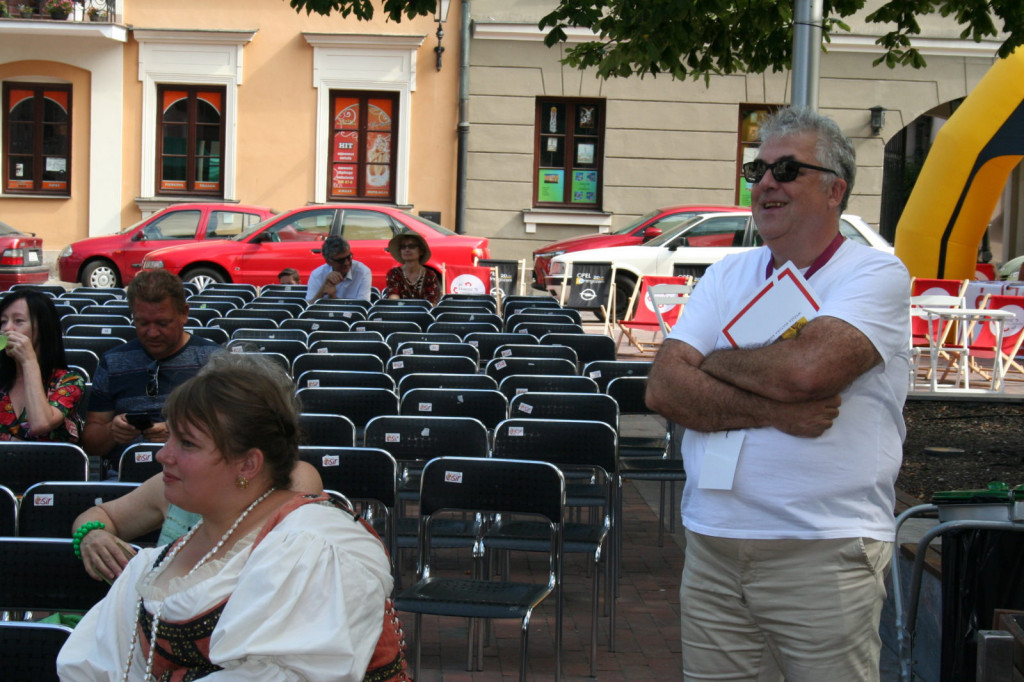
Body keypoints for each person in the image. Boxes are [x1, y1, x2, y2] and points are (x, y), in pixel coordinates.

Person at [645, 107, 911, 680]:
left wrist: (710, 365)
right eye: (757, 169)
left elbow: (808, 372)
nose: (766, 182)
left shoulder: (874, 275)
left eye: (787, 169)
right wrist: (774, 411)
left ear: (835, 189)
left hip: (824, 548)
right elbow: (665, 387)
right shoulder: (727, 274)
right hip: (713, 542)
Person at [58, 353, 399, 680]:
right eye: (170, 437)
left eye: (187, 443)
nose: (163, 454)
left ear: (248, 464)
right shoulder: (155, 563)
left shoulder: (310, 545)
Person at [73, 461, 325, 583]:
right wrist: (92, 535)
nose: (163, 453)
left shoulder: (294, 480)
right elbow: (99, 514)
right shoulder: (175, 481)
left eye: (189, 442)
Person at [81, 269, 221, 471]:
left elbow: (234, 435)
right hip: (127, 476)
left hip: (197, 477)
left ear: (184, 314)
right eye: (142, 323)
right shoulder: (113, 362)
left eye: (163, 323)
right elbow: (92, 444)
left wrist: (181, 434)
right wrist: (112, 431)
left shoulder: (214, 361)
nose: (152, 333)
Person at [0, 289, 85, 441]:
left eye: (18, 321)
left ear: (43, 328)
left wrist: (28, 362)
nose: (6, 329)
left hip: (50, 464)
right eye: (3, 322)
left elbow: (41, 424)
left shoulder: (70, 381)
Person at [306, 236, 372, 302]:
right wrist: (322, 290)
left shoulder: (363, 272)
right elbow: (308, 307)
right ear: (329, 262)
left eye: (349, 257)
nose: (346, 263)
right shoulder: (317, 274)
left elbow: (362, 307)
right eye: (341, 260)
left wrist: (333, 297)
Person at [382, 232, 440, 305]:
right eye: (403, 247)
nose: (407, 249)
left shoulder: (430, 275)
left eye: (411, 246)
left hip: (424, 314)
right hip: (400, 314)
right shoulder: (394, 273)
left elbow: (432, 303)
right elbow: (393, 299)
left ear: (421, 251)